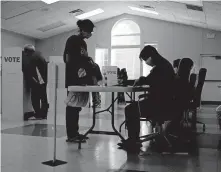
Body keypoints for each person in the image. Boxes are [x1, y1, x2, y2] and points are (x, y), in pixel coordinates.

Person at [118, 45, 175, 151]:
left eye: (145, 59)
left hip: (159, 105)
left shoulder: (160, 68)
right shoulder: (164, 65)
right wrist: (142, 79)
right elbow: (150, 80)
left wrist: (141, 79)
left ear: (151, 56)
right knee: (133, 107)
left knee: (130, 109)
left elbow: (149, 80)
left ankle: (133, 141)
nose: (145, 62)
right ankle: (133, 139)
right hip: (165, 103)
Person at [63, 19, 96, 142]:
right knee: (72, 106)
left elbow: (83, 58)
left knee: (77, 107)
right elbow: (67, 58)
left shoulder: (83, 43)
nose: (90, 34)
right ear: (82, 30)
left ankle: (75, 132)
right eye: (89, 31)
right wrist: (77, 72)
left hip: (80, 78)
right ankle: (71, 135)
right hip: (73, 78)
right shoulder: (72, 40)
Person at [22, 44, 49, 120]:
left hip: (38, 82)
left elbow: (31, 71)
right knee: (44, 98)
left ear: (27, 51)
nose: (25, 54)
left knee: (35, 98)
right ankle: (44, 115)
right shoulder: (40, 55)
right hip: (43, 80)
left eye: (25, 52)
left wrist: (34, 82)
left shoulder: (32, 58)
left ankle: (38, 115)